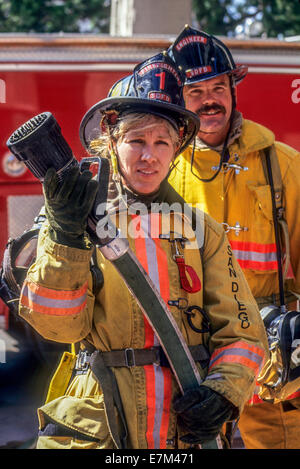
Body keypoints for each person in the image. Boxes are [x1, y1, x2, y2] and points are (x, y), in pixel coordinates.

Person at [18, 52, 268, 450]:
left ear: (177, 148)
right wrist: (66, 236)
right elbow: (57, 326)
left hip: (183, 430)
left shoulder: (202, 231)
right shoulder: (72, 218)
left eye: (161, 142)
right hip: (99, 430)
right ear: (111, 141)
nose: (149, 155)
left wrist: (222, 393)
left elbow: (244, 334)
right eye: (136, 141)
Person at [168, 25, 300, 449]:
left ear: (233, 91)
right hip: (192, 363)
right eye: (195, 91)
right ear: (176, 99)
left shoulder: (283, 166)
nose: (210, 99)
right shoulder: (161, 170)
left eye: (219, 87)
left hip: (271, 363)